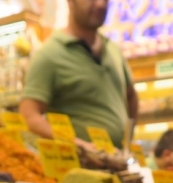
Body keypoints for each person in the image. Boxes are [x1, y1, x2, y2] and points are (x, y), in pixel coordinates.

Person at [19, 0, 137, 150]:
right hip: (78, 167)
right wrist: (78, 145)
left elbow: (131, 96)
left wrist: (127, 143)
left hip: (118, 163)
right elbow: (29, 116)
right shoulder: (49, 54)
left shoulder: (113, 50)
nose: (100, 5)